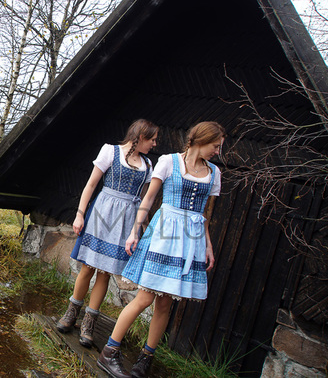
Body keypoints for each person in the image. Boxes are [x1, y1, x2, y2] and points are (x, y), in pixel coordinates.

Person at [97, 121, 225, 378]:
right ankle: (109, 352)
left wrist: (208, 245)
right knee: (145, 298)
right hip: (164, 234)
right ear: (200, 140)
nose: (217, 152)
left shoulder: (214, 173)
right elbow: (149, 198)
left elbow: (206, 215)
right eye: (215, 146)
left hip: (191, 239)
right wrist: (135, 231)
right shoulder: (169, 162)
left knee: (165, 304)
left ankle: (146, 358)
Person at [57, 119, 159, 348]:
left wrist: (140, 228)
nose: (154, 143)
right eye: (151, 139)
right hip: (102, 214)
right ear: (140, 136)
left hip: (125, 221)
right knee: (88, 266)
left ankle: (89, 322)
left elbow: (144, 200)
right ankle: (72, 312)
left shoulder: (148, 166)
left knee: (105, 273)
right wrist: (80, 214)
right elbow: (91, 185)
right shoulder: (110, 151)